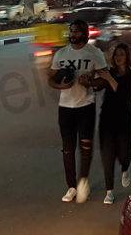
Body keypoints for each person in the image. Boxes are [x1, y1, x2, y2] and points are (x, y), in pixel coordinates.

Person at [49, 19, 116, 204]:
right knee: (67, 150)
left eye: (77, 31)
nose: (73, 34)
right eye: (71, 31)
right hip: (65, 108)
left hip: (86, 107)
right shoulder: (61, 54)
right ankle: (71, 187)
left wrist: (91, 83)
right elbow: (51, 79)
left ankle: (83, 181)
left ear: (86, 34)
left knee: (85, 148)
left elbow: (105, 80)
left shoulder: (95, 54)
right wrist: (60, 85)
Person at [96, 43, 131, 205]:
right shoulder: (109, 72)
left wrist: (109, 78)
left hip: (124, 119)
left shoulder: (130, 75)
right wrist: (89, 81)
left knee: (124, 154)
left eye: (121, 55)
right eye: (116, 55)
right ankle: (109, 191)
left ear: (126, 57)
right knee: (107, 155)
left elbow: (122, 94)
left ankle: (125, 169)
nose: (118, 58)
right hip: (107, 119)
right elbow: (98, 85)